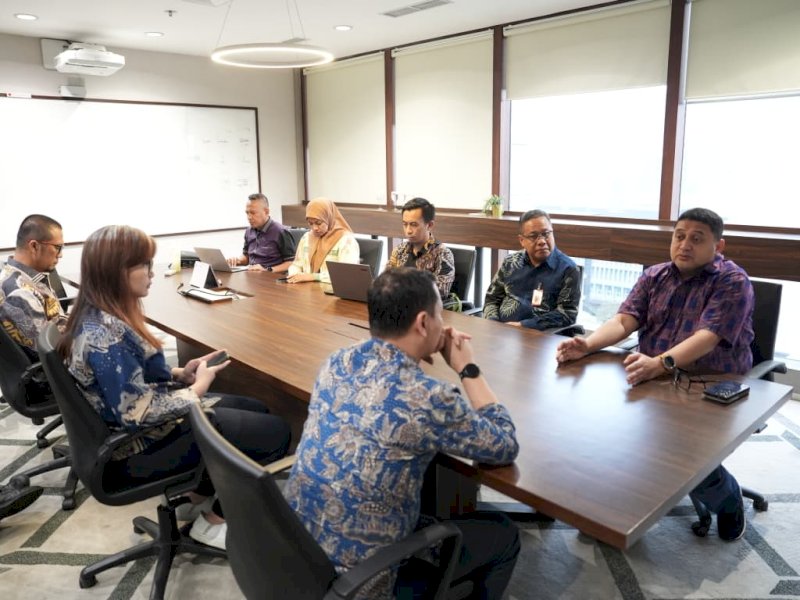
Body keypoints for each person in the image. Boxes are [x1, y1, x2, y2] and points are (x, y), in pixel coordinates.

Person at [284, 268, 520, 599]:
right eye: (441, 314)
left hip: (298, 555)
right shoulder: (429, 398)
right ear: (423, 323)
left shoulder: (337, 362)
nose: (444, 323)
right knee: (503, 533)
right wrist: (467, 368)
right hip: (361, 584)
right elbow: (504, 444)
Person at [59, 225, 291, 550]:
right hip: (134, 453)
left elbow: (130, 380)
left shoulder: (100, 316)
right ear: (116, 271)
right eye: (144, 265)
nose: (152, 274)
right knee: (275, 432)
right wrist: (196, 390)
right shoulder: (107, 336)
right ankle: (213, 523)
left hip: (129, 436)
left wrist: (181, 374)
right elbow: (137, 413)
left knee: (256, 409)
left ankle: (199, 494)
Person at [556, 207, 753, 541]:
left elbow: (707, 337)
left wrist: (659, 364)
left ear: (718, 247)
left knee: (686, 454)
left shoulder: (733, 281)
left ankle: (729, 499)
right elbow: (624, 320)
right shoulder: (655, 275)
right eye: (679, 236)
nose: (684, 245)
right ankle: (609, 509)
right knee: (606, 431)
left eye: (696, 239)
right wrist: (587, 345)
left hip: (711, 381)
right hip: (653, 375)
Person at [483, 209, 581, 330]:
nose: (541, 241)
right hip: (502, 333)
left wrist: (524, 326)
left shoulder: (568, 270)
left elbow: (567, 314)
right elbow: (492, 299)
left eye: (546, 234)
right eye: (533, 236)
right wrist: (493, 324)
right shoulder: (510, 262)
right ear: (522, 241)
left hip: (540, 338)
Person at [0, 214, 68, 361]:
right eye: (58, 247)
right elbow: (50, 354)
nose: (60, 255)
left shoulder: (25, 277)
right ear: (34, 246)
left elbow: (55, 320)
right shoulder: (20, 294)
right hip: (55, 374)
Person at [385, 197, 455, 299]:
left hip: (425, 311)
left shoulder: (442, 253)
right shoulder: (400, 250)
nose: (408, 230)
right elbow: (385, 282)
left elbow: (439, 293)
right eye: (405, 224)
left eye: (413, 225)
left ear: (429, 225)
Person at [286, 197, 360, 284]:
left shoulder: (346, 240)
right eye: (310, 223)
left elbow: (347, 274)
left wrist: (313, 276)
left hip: (331, 291)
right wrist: (294, 274)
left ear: (329, 217)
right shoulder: (306, 238)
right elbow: (296, 264)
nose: (315, 228)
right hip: (306, 290)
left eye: (318, 223)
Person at [226, 193, 296, 272]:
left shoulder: (281, 231)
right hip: (252, 275)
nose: (249, 217)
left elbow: (291, 263)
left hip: (270, 278)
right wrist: (237, 260)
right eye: (247, 213)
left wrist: (267, 270)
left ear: (266, 211)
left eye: (253, 213)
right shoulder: (249, 231)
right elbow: (247, 257)